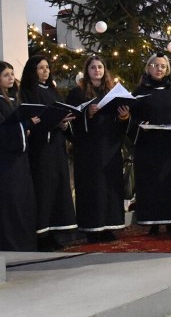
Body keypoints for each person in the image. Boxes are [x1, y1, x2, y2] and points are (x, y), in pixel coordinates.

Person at [66, 54, 130, 243]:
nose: (97, 71)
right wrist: (87, 113)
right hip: (88, 149)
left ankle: (109, 226)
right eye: (93, 67)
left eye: (100, 67)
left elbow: (122, 124)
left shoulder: (113, 92)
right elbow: (70, 121)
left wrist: (124, 117)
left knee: (110, 186)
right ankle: (92, 228)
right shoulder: (77, 93)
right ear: (87, 71)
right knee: (92, 187)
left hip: (110, 146)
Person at [19, 55, 77, 251]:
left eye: (47, 67)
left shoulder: (52, 90)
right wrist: (54, 123)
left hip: (57, 147)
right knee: (43, 190)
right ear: (32, 70)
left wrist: (65, 122)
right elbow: (32, 118)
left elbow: (59, 112)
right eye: (40, 68)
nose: (45, 71)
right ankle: (41, 234)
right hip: (41, 148)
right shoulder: (28, 91)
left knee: (58, 189)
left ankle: (54, 231)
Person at [130, 53, 171, 234]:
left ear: (167, 70)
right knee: (152, 184)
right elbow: (130, 118)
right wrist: (140, 125)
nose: (159, 69)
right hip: (148, 147)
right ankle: (153, 222)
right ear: (148, 68)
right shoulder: (139, 92)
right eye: (155, 65)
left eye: (163, 66)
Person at [0, 61, 38, 251]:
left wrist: (25, 128)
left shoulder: (14, 100)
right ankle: (7, 245)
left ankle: (24, 244)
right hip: (2, 164)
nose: (11, 77)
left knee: (21, 203)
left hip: (18, 162)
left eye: (12, 73)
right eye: (6, 74)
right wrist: (25, 125)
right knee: (7, 205)